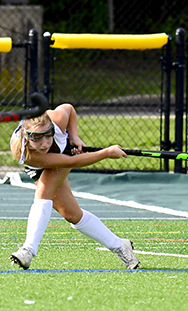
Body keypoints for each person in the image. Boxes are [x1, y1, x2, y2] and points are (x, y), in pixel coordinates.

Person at [9, 102, 140, 270]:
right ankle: (121, 246)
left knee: (43, 191)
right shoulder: (24, 152)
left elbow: (69, 108)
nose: (44, 143)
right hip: (42, 163)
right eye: (37, 137)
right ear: (27, 136)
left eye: (48, 135)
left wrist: (74, 136)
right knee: (72, 214)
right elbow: (72, 161)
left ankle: (28, 250)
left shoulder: (57, 118)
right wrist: (106, 153)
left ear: (52, 128)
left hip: (63, 154)